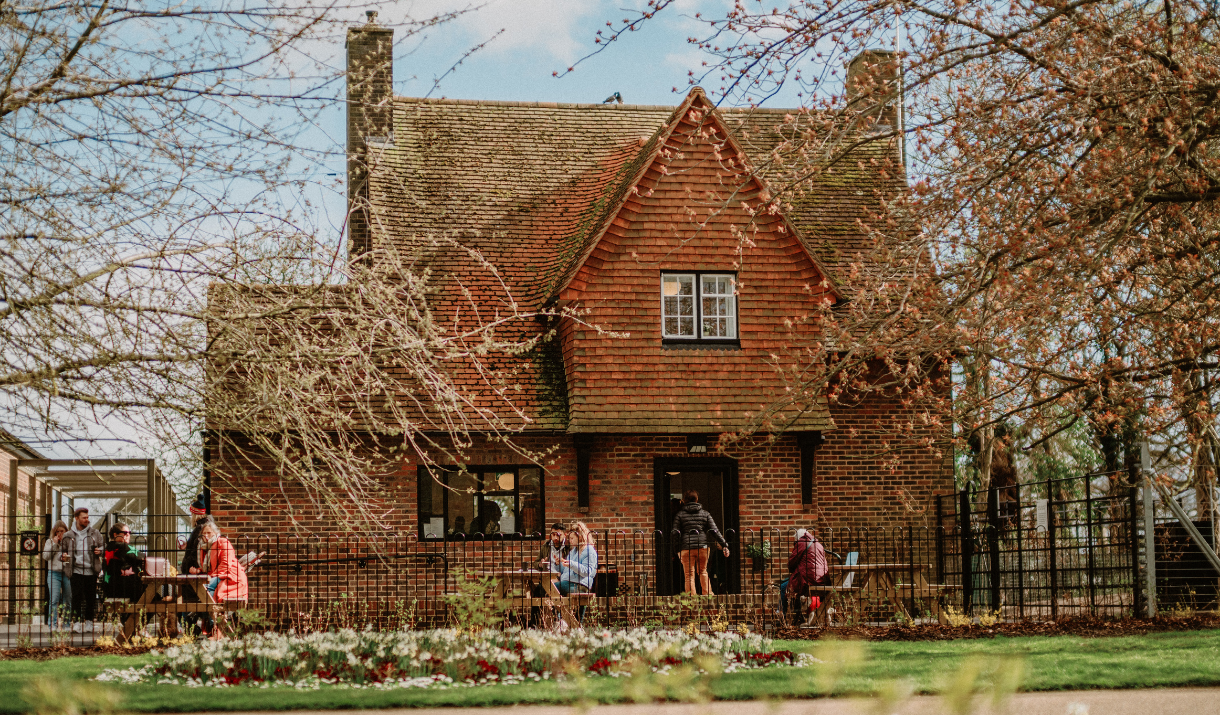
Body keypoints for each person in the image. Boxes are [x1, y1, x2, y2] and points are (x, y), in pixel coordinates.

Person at [671, 490, 730, 595]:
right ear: (697, 499)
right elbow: (714, 531)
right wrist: (724, 544)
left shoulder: (680, 515)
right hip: (702, 546)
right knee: (703, 571)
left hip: (686, 547)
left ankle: (691, 599)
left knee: (689, 575)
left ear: (684, 500)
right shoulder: (705, 514)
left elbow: (675, 533)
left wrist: (676, 550)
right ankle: (707, 595)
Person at [201, 520, 248, 637]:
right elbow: (208, 568)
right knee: (204, 590)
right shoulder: (206, 547)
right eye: (204, 534)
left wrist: (212, 577)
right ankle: (214, 627)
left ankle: (215, 627)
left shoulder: (223, 542)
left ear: (215, 532)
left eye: (209, 533)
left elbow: (226, 564)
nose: (206, 536)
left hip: (232, 576)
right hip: (220, 575)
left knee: (207, 589)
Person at [60, 506, 103, 633]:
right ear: (76, 518)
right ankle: (77, 622)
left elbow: (103, 547)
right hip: (75, 570)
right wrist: (64, 558)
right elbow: (62, 554)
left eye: (87, 517)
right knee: (76, 597)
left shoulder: (95, 533)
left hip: (91, 570)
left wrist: (100, 551)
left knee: (90, 597)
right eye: (84, 518)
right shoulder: (68, 535)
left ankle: (89, 622)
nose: (86, 520)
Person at [779, 528, 829, 618]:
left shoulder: (801, 543)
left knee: (783, 587)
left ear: (798, 537)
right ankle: (799, 616)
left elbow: (791, 563)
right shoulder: (818, 544)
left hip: (808, 580)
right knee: (793, 584)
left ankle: (783, 616)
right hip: (822, 580)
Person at [554, 522, 597, 625]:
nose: (570, 540)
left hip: (580, 585)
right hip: (569, 582)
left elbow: (587, 571)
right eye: (570, 538)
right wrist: (558, 563)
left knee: (549, 589)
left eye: (572, 538)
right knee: (548, 589)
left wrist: (571, 564)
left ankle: (561, 622)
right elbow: (566, 570)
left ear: (580, 537)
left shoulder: (589, 550)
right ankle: (566, 623)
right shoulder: (574, 551)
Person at [41, 520, 72, 630]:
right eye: (57, 532)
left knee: (67, 599)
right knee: (54, 599)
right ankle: (52, 624)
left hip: (66, 573)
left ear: (66, 531)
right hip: (54, 572)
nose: (60, 534)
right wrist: (54, 544)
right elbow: (45, 557)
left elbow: (75, 557)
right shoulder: (50, 542)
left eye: (62, 531)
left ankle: (66, 624)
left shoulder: (69, 542)